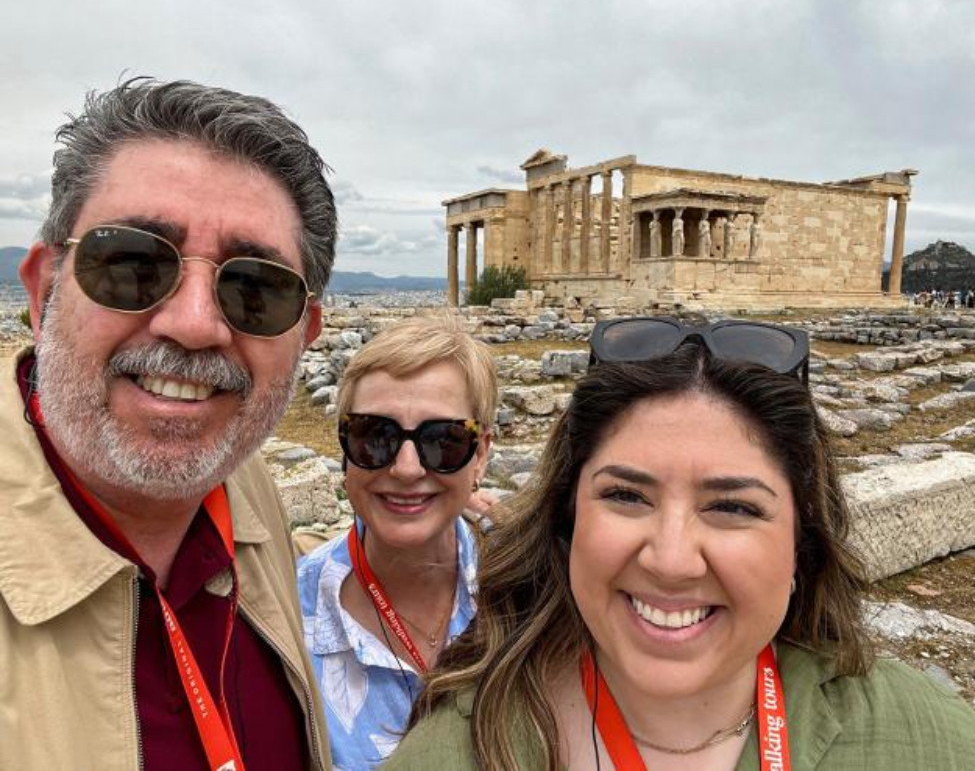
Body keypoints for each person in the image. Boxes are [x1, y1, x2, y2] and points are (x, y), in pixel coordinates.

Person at [385, 316, 975, 770]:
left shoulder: (930, 740)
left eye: (733, 507)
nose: (670, 561)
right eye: (626, 496)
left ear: (802, 541)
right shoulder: (447, 754)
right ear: (567, 522)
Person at [2, 78, 336, 770]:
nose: (192, 325)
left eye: (256, 289)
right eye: (131, 263)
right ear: (42, 292)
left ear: (304, 335)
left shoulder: (244, 483)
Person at [297, 314, 497, 769]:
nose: (407, 469)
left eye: (443, 441)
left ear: (481, 454)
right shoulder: (283, 618)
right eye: (375, 436)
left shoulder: (531, 589)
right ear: (344, 446)